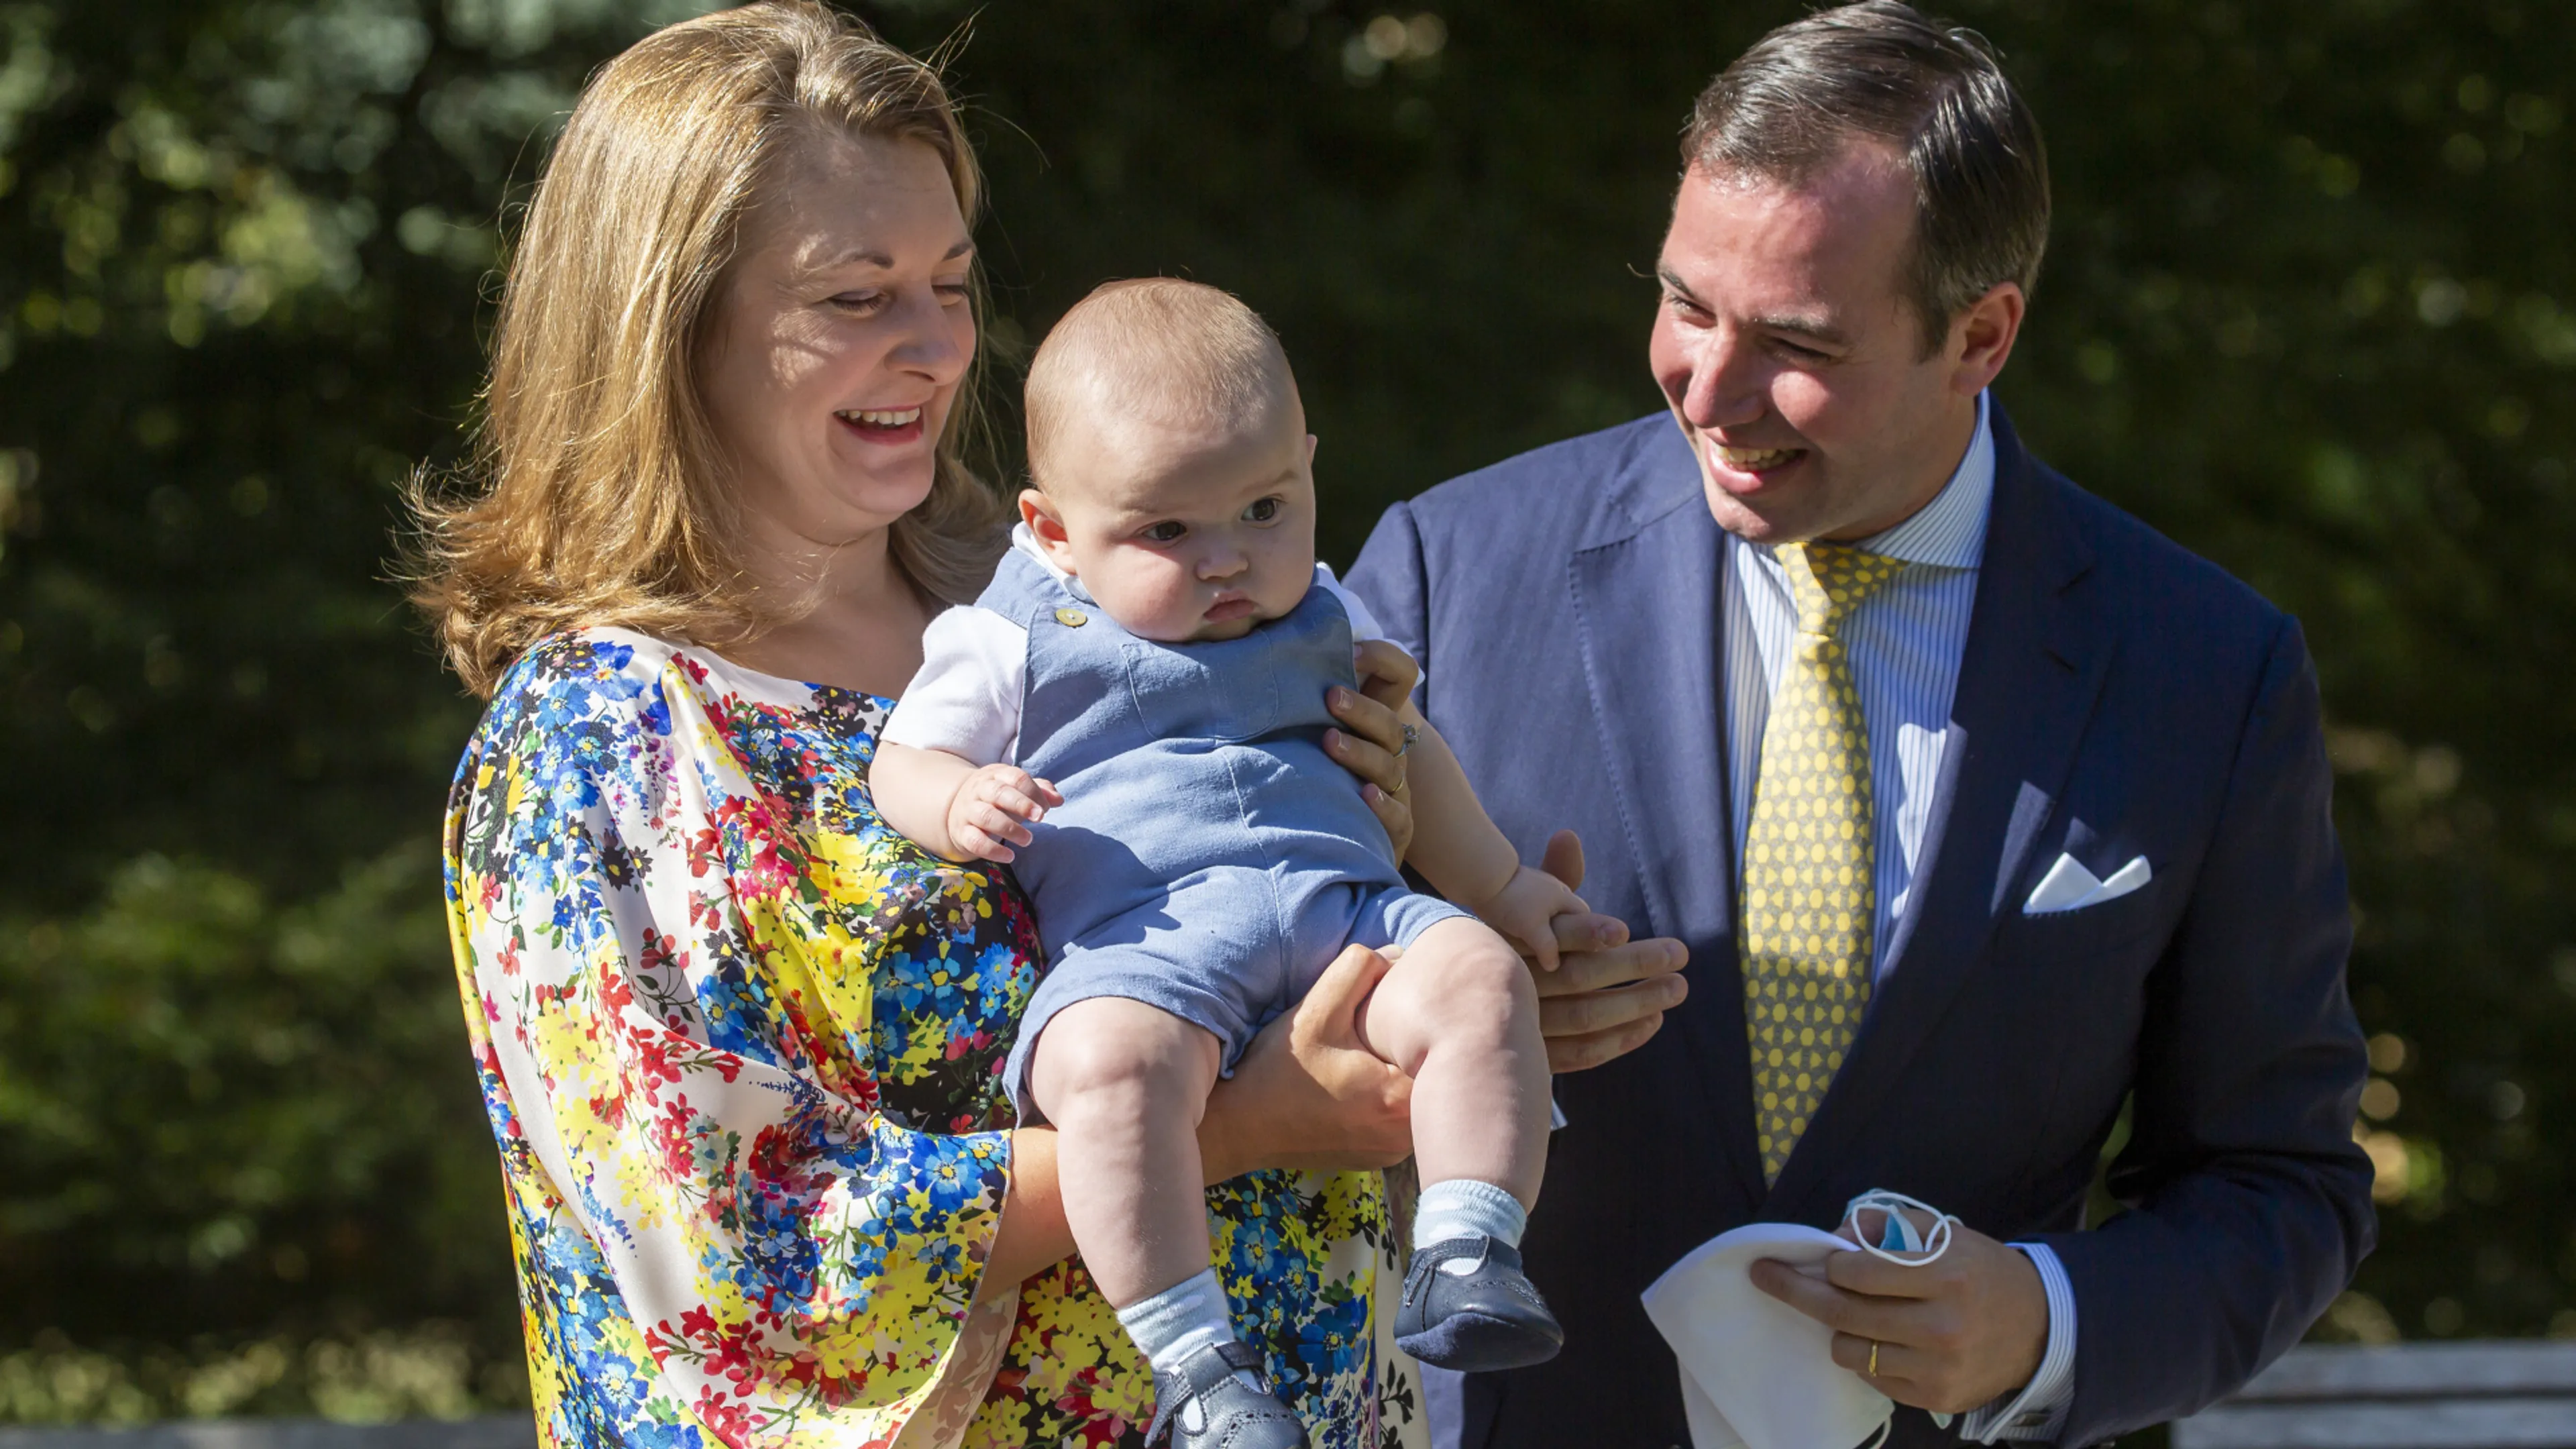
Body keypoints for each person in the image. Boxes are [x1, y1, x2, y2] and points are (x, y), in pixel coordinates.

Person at [408, 5, 1675, 1446]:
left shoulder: (1083, 601)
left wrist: (1472, 993)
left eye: (950, 283)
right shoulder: (602, 739)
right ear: (672, 328)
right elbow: (728, 1259)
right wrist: (1245, 1124)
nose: (934, 347)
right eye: (857, 296)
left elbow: (1291, 947)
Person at [1342, 4, 2377, 1446]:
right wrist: (1438, 1016)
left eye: (1796, 342)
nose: (1709, 392)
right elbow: (1234, 995)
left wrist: (2044, 1322)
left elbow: (2280, 1181)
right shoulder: (1445, 575)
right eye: (1687, 306)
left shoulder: (2207, 669)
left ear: (1981, 336)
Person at [871, 279, 1571, 1447]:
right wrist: (956, 801)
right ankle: (1198, 1365)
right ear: (1054, 532)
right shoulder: (1008, 633)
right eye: (1168, 532)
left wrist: (1498, 888)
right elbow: (903, 757)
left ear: (1307, 468)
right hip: (1146, 942)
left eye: (1263, 508)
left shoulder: (1326, 607)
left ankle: (1470, 1244)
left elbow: (1408, 746)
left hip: (1347, 912)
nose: (1228, 562)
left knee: (1479, 978)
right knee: (1104, 1073)